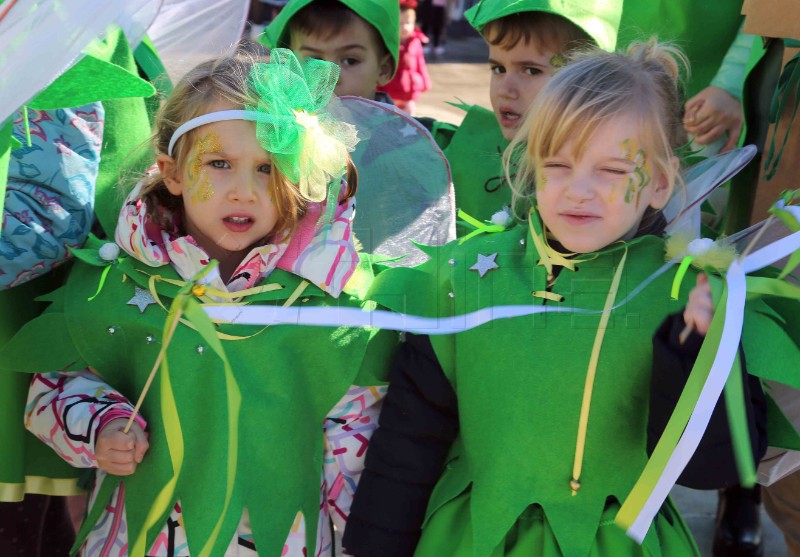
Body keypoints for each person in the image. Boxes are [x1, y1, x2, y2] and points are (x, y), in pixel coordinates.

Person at [340, 40, 799, 557]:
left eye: (611, 171)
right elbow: (410, 439)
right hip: (472, 539)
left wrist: (695, 351)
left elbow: (714, 469)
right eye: (558, 165)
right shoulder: (464, 281)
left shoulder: (684, 295)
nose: (579, 190)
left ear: (661, 182)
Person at [2, 46, 397, 556]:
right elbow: (53, 389)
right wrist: (97, 425)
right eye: (219, 163)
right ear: (171, 173)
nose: (244, 191)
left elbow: (355, 436)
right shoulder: (121, 284)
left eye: (267, 168)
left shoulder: (329, 300)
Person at [423, 0, 621, 227]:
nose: (504, 91)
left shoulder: (615, 175)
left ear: (592, 79)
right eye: (498, 69)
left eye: (531, 70)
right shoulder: (463, 152)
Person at [260, 0, 399, 101]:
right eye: (314, 60)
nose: (329, 78)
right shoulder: (276, 133)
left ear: (383, 70)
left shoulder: (408, 138)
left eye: (350, 61)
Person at [377, 0, 431, 116]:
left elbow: (420, 63)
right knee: (389, 119)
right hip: (390, 92)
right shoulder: (387, 44)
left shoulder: (415, 41)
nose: (405, 27)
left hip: (408, 94)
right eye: (400, 23)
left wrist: (424, 82)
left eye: (408, 23)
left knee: (409, 119)